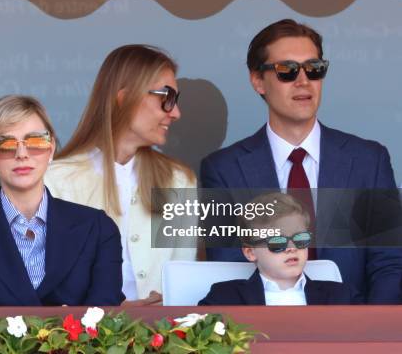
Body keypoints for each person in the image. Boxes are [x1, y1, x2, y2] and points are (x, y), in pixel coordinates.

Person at [200, 19, 402, 303]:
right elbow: (231, 266)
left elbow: (389, 264)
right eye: (287, 70)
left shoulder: (369, 160)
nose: (303, 80)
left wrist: (368, 331)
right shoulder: (222, 169)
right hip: (263, 336)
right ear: (258, 80)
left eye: (314, 68)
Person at [0, 95, 124, 306]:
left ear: (50, 148)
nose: (22, 154)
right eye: (5, 143)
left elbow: (104, 319)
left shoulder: (98, 227)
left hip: (107, 332)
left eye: (35, 141)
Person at [45, 44, 197, 305]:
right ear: (124, 97)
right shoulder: (54, 180)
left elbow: (182, 285)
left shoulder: (179, 181)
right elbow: (45, 286)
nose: (175, 112)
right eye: (166, 97)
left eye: (176, 100)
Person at [199, 193, 357, 305]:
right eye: (277, 242)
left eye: (300, 239)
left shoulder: (341, 295)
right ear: (250, 252)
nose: (291, 248)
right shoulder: (225, 297)